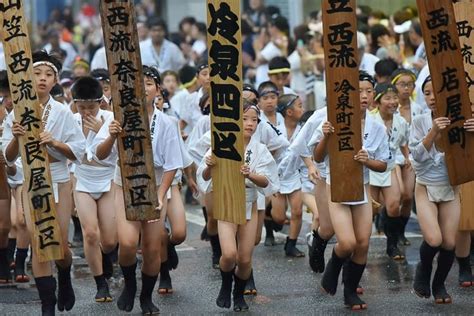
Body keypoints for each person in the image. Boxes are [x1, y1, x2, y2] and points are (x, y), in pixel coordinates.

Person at [95, 65, 183, 314]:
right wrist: (111, 136)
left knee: (153, 247)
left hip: (155, 184)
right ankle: (130, 285)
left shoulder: (166, 122)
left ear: (157, 89)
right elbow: (100, 155)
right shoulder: (118, 117)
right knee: (128, 242)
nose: (142, 88)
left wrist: (160, 193)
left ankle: (146, 296)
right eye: (137, 83)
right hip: (125, 183)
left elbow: (172, 163)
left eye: (148, 83)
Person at [3, 51, 86, 314]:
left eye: (48, 75)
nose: (42, 79)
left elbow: (79, 150)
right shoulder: (16, 110)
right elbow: (7, 156)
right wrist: (17, 137)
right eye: (37, 73)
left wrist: (54, 142)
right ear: (28, 77)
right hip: (32, 181)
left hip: (59, 179)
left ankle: (64, 273)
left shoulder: (62, 111)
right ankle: (47, 306)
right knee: (40, 243)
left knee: (58, 245)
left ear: (55, 81)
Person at [312, 71, 389, 310]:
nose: (364, 96)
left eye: (369, 91)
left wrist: (367, 160)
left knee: (363, 243)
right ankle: (332, 271)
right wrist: (325, 136)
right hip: (336, 187)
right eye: (359, 91)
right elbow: (317, 156)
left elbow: (383, 163)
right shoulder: (331, 118)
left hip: (362, 188)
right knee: (346, 242)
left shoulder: (377, 127)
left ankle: (350, 292)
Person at [197, 101, 278, 312]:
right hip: (226, 203)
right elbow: (204, 178)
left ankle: (238, 293)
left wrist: (250, 174)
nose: (250, 123)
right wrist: (209, 166)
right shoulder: (221, 143)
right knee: (230, 254)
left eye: (254, 120)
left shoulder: (259, 149)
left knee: (244, 259)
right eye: (244, 119)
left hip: (249, 203)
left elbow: (267, 181)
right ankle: (225, 285)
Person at [410, 76, 469, 304]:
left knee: (449, 243)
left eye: (436, 92)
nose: (432, 98)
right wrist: (433, 131)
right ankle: (422, 272)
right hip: (425, 185)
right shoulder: (419, 121)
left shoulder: (462, 118)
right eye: (426, 93)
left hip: (451, 186)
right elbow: (416, 156)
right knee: (433, 239)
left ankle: (439, 284)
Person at [71, 77, 117, 303]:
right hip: (82, 179)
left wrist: (102, 131)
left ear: (101, 102)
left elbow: (115, 152)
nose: (86, 111)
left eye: (91, 106)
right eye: (82, 107)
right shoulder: (71, 120)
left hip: (108, 178)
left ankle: (104, 255)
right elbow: (68, 154)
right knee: (90, 232)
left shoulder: (111, 119)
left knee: (109, 241)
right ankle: (100, 283)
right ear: (75, 104)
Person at [369, 83, 409, 260]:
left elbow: (403, 142)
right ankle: (360, 243)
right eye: (387, 98)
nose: (392, 102)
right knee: (371, 209)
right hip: (370, 167)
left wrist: (407, 157)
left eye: (395, 97)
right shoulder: (369, 119)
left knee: (394, 205)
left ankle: (392, 246)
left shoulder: (401, 121)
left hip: (390, 166)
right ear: (378, 102)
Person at [272, 94, 305, 257]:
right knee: (278, 218)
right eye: (299, 106)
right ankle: (268, 218)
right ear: (289, 112)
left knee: (297, 211)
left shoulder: (304, 127)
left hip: (295, 174)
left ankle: (291, 244)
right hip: (276, 175)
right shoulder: (275, 128)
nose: (303, 109)